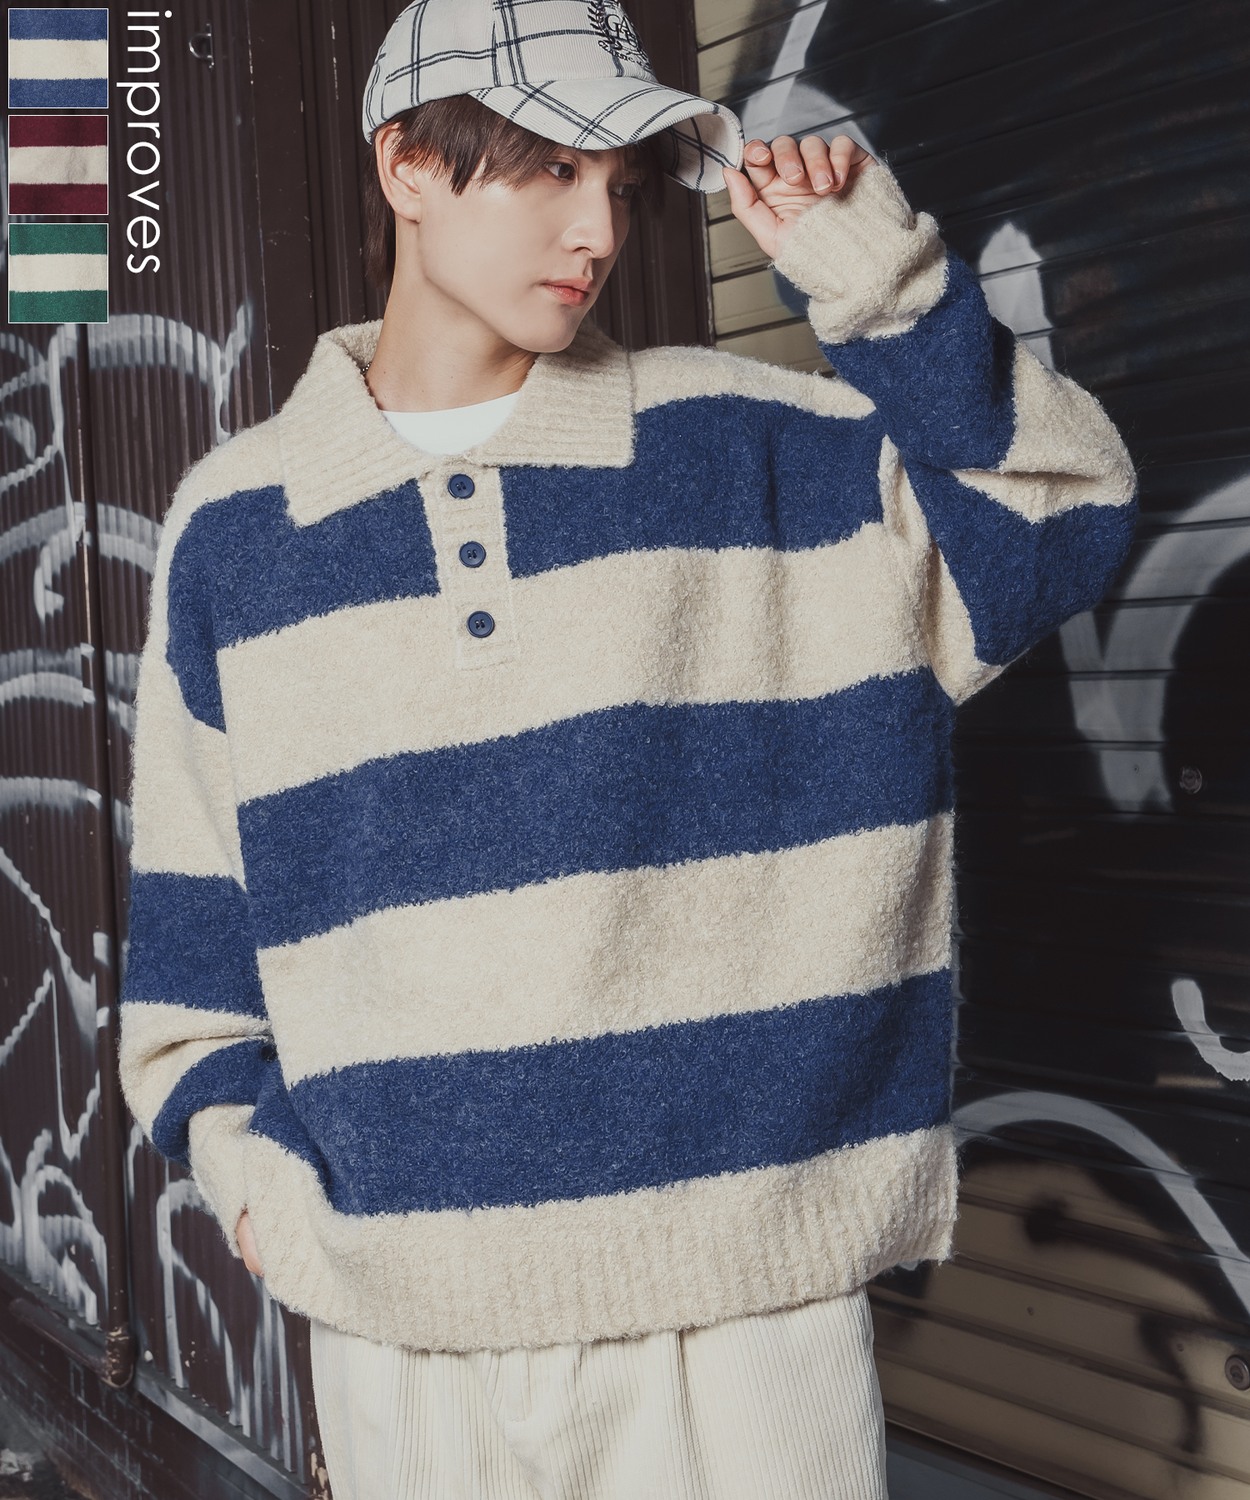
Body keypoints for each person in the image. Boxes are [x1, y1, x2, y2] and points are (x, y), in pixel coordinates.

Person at [115, 1, 1138, 1495]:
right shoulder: (237, 528)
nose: (595, 230)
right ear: (406, 165)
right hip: (409, 1333)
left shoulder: (746, 445)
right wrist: (255, 1181)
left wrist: (877, 277)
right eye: (549, 169)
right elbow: (193, 943)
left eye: (621, 182)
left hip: (751, 1320)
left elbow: (1058, 516)